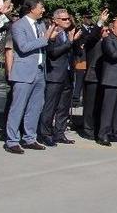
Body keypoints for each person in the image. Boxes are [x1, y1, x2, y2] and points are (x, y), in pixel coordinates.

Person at [5, 0, 56, 154]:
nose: (43, 10)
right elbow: (24, 47)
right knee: (18, 108)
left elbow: (43, 44)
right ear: (31, 9)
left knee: (35, 108)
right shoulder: (18, 25)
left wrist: (49, 38)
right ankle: (12, 141)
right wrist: (45, 39)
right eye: (41, 7)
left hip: (40, 71)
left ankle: (30, 138)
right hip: (23, 73)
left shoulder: (41, 25)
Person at [38, 8, 81, 146]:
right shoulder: (52, 34)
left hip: (67, 74)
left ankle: (60, 133)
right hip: (54, 75)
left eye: (68, 18)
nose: (67, 21)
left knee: (64, 107)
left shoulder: (67, 33)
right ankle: (45, 133)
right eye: (64, 19)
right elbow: (52, 53)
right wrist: (69, 42)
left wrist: (74, 43)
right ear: (55, 20)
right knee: (50, 106)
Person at [80, 24, 109, 140]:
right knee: (90, 105)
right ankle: (88, 129)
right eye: (104, 30)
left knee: (99, 104)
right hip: (92, 76)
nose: (107, 32)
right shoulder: (93, 42)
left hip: (103, 77)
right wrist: (100, 22)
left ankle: (97, 127)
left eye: (108, 30)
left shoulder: (109, 42)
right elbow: (91, 37)